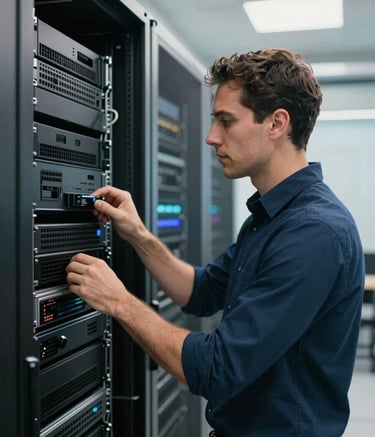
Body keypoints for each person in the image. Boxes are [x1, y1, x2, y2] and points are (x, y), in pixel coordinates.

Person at [66, 48, 365, 437]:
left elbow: (217, 369)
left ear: (277, 123)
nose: (211, 137)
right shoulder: (271, 217)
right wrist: (138, 236)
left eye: (226, 121)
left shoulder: (313, 233)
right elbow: (202, 291)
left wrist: (118, 302)